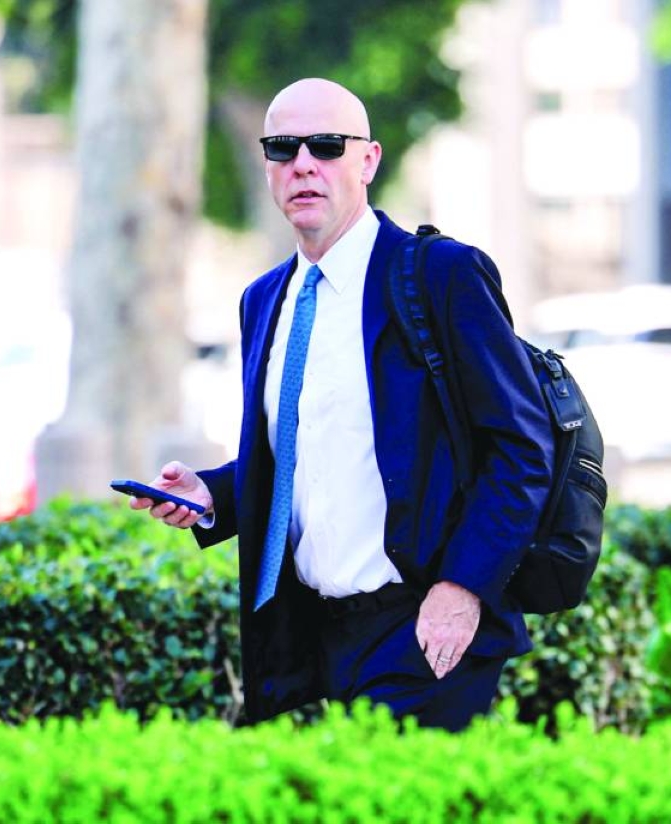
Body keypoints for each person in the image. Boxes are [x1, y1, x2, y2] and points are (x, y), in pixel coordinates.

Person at [132, 78, 553, 731]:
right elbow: (307, 456)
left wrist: (462, 587)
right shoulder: (263, 300)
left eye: (327, 145)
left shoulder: (440, 277)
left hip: (424, 630)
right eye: (283, 147)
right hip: (315, 638)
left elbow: (522, 449)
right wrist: (213, 495)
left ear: (368, 161)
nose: (303, 163)